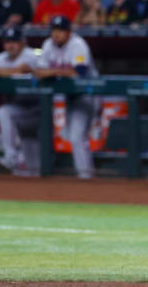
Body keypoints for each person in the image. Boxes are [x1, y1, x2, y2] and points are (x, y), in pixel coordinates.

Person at [34, 15, 98, 179]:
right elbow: (40, 71)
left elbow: (79, 72)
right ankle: (85, 173)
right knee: (73, 135)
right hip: (70, 97)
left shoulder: (78, 44)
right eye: (54, 30)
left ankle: (86, 176)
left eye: (60, 30)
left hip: (88, 94)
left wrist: (52, 71)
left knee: (77, 135)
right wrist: (49, 72)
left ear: (69, 32)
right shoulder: (48, 44)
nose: (56, 34)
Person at [0, 27, 40, 175]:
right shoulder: (1, 58)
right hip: (20, 110)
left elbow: (22, 70)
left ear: (23, 42)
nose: (11, 45)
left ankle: (11, 158)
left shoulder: (30, 55)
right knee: (32, 169)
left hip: (40, 110)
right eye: (7, 42)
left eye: (14, 42)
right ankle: (12, 159)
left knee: (5, 112)